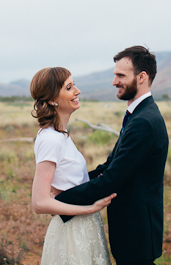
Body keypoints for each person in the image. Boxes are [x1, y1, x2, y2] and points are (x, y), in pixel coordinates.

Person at [54, 46, 169, 265]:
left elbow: (111, 180)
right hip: (132, 231)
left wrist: (60, 201)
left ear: (142, 77)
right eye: (115, 74)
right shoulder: (139, 116)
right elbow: (109, 166)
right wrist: (68, 185)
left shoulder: (144, 122)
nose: (114, 81)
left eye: (120, 76)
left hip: (137, 234)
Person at [30, 67, 116, 265]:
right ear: (52, 99)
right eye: (69, 87)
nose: (77, 91)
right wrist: (90, 208)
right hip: (72, 232)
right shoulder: (51, 139)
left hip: (85, 226)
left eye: (74, 85)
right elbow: (39, 203)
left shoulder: (61, 135)